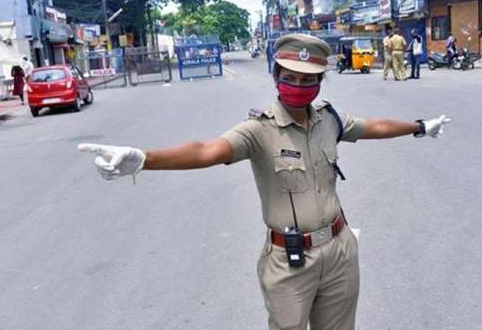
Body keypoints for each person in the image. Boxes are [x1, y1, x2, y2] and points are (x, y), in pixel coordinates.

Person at [78, 34, 452, 330]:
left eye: (307, 80)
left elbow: (375, 126)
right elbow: (207, 150)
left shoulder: (330, 119)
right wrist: (145, 159)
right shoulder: (258, 130)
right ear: (275, 77)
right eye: (289, 77)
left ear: (320, 83)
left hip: (340, 250)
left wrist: (419, 126)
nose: (298, 86)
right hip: (291, 261)